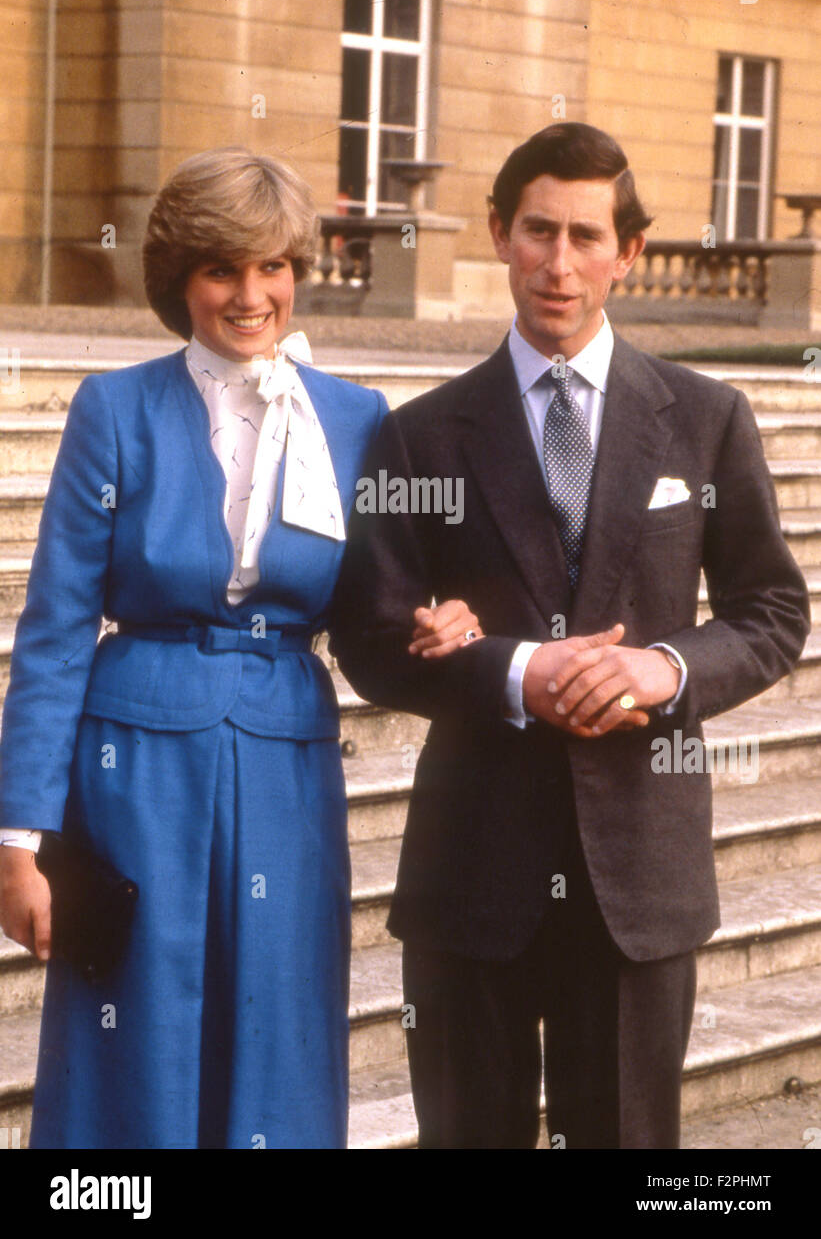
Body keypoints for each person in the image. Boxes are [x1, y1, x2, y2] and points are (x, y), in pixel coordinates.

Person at [330, 122, 811, 1149]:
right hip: (472, 873)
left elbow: (771, 611)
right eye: (537, 230)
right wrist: (511, 670)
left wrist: (664, 663)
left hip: (639, 875)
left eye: (586, 236)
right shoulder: (416, 432)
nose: (559, 262)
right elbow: (368, 637)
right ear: (500, 233)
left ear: (626, 250)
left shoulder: (703, 417)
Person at [0, 146, 479, 1149]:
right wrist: (18, 840)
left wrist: (434, 628)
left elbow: (369, 618)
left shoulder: (352, 419)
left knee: (279, 1019)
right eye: (222, 268)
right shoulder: (114, 408)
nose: (250, 293)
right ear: (180, 279)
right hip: (132, 770)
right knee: (135, 1031)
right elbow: (53, 631)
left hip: (285, 770)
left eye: (272, 266)